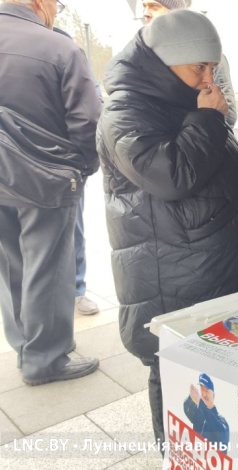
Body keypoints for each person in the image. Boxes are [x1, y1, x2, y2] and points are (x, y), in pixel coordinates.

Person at [97, 10, 238, 447]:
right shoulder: (125, 109)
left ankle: (217, 438)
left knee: (214, 357)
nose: (209, 77)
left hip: (209, 262)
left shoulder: (186, 100)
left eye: (213, 67)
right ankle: (181, 449)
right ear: (166, 61)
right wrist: (210, 120)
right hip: (171, 270)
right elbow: (169, 175)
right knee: (176, 364)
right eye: (200, 68)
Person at [0, 0, 101, 385]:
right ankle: (46, 360)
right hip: (45, 180)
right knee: (49, 270)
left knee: (10, 267)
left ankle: (25, 347)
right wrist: (81, 168)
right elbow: (88, 121)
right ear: (40, 2)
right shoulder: (59, 48)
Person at [52, 26, 101, 317]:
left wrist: (83, 163)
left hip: (65, 164)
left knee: (74, 229)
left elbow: (91, 105)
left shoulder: (66, 46)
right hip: (25, 165)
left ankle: (76, 289)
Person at [140, 0, 237, 128]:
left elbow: (227, 114)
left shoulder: (209, 56)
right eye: (145, 6)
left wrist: (207, 115)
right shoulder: (141, 60)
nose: (146, 13)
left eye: (155, 7)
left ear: (175, 14)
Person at [184, 373, 230, 449]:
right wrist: (191, 396)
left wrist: (199, 402)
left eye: (207, 391)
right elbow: (187, 408)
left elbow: (219, 430)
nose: (204, 394)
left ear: (213, 395)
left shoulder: (221, 421)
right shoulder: (199, 415)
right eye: (202, 390)